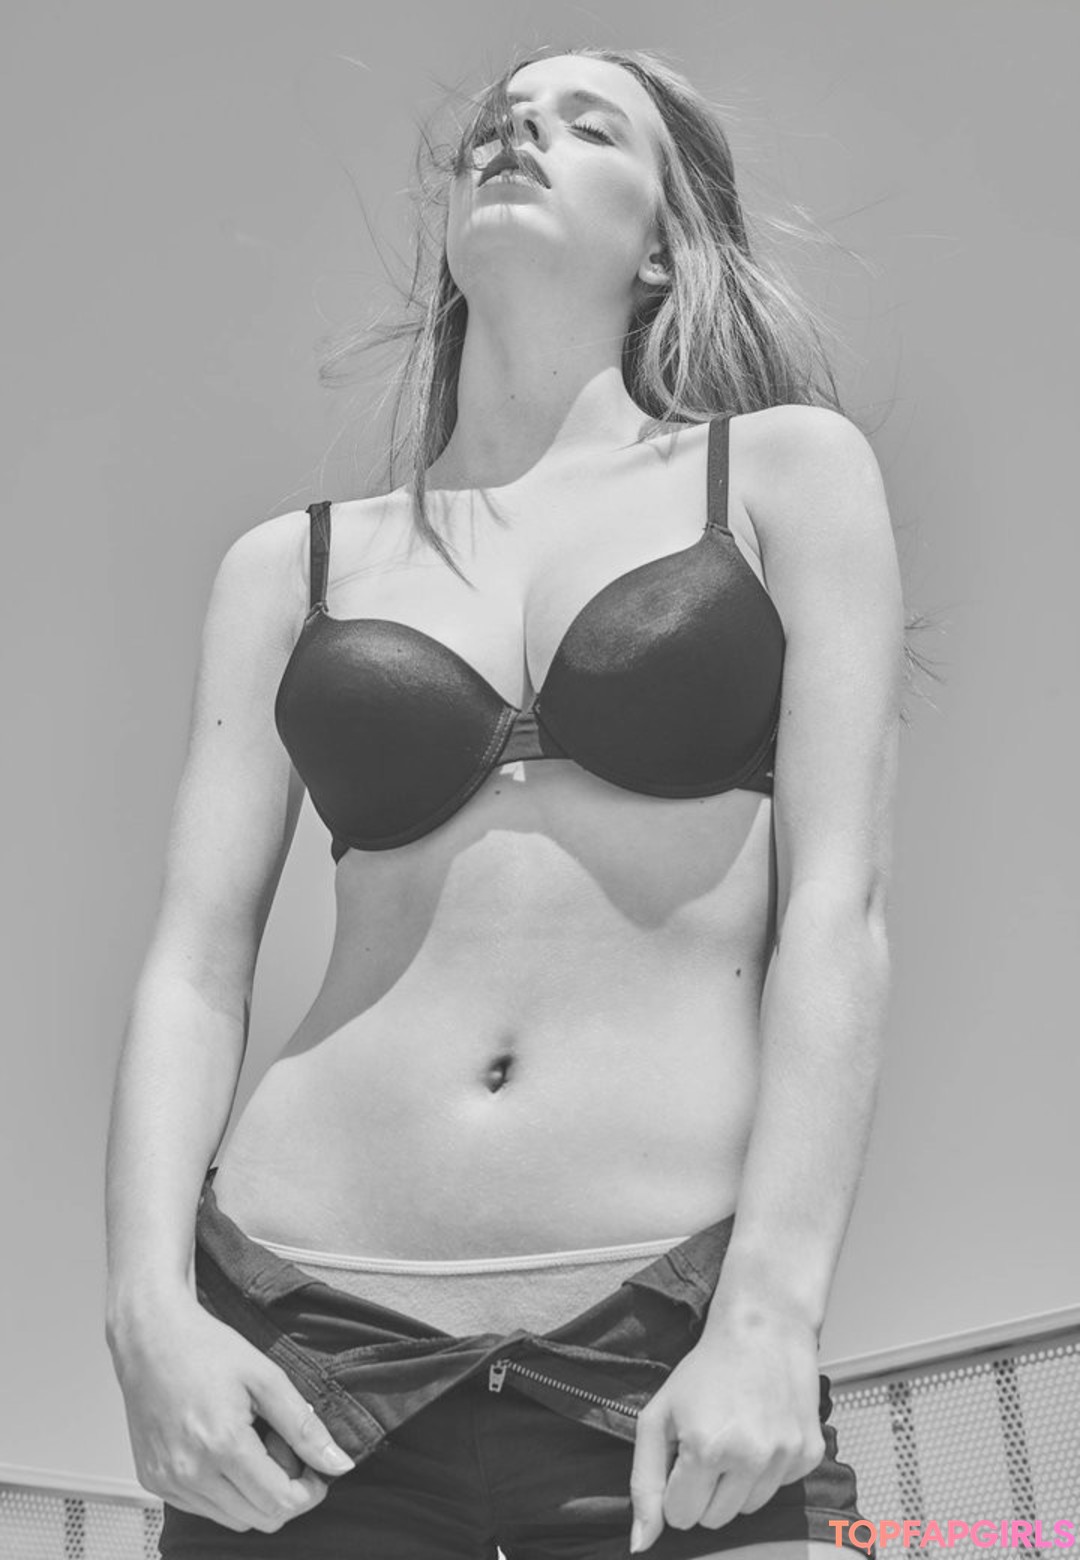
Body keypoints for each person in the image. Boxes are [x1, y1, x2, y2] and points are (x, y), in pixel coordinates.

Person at [105, 42, 905, 1560]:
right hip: (299, 1351)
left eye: (587, 124)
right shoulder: (290, 567)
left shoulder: (785, 479)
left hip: (666, 1345)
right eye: (500, 119)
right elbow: (195, 962)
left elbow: (836, 910)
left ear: (662, 243)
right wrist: (148, 1315)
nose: (521, 133)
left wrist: (771, 1313)